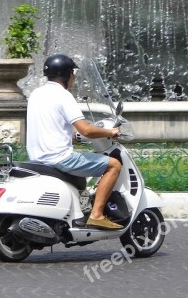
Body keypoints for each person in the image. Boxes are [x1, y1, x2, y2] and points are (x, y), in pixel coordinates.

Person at [26, 54, 123, 230]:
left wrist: (77, 137)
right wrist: (111, 132)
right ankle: (97, 215)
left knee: (84, 166)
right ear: (66, 75)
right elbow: (85, 129)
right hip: (59, 158)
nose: (74, 78)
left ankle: (80, 209)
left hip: (37, 158)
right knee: (114, 165)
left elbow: (60, 129)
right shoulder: (63, 95)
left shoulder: (36, 94)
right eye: (73, 73)